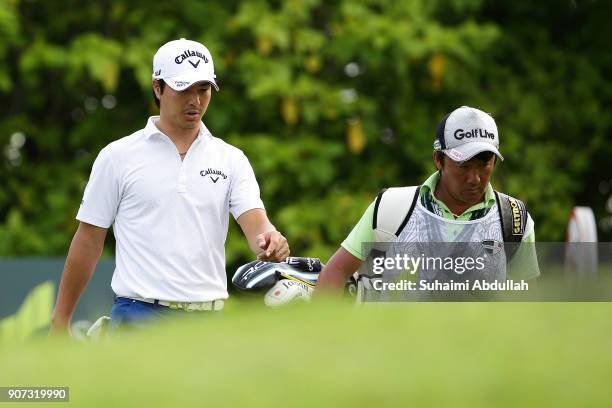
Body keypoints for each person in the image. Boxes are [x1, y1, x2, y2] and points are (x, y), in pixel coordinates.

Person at [50, 38, 289, 333]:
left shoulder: (230, 159)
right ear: (157, 88)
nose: (195, 100)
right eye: (183, 89)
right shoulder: (117, 156)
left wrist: (271, 242)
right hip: (137, 314)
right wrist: (60, 319)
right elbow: (88, 240)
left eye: (203, 89)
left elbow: (257, 226)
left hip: (209, 319)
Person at [317, 106, 539, 299]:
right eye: (463, 165)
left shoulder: (513, 219)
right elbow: (336, 272)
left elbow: (528, 303)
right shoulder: (392, 206)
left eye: (485, 164)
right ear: (438, 160)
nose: (475, 178)